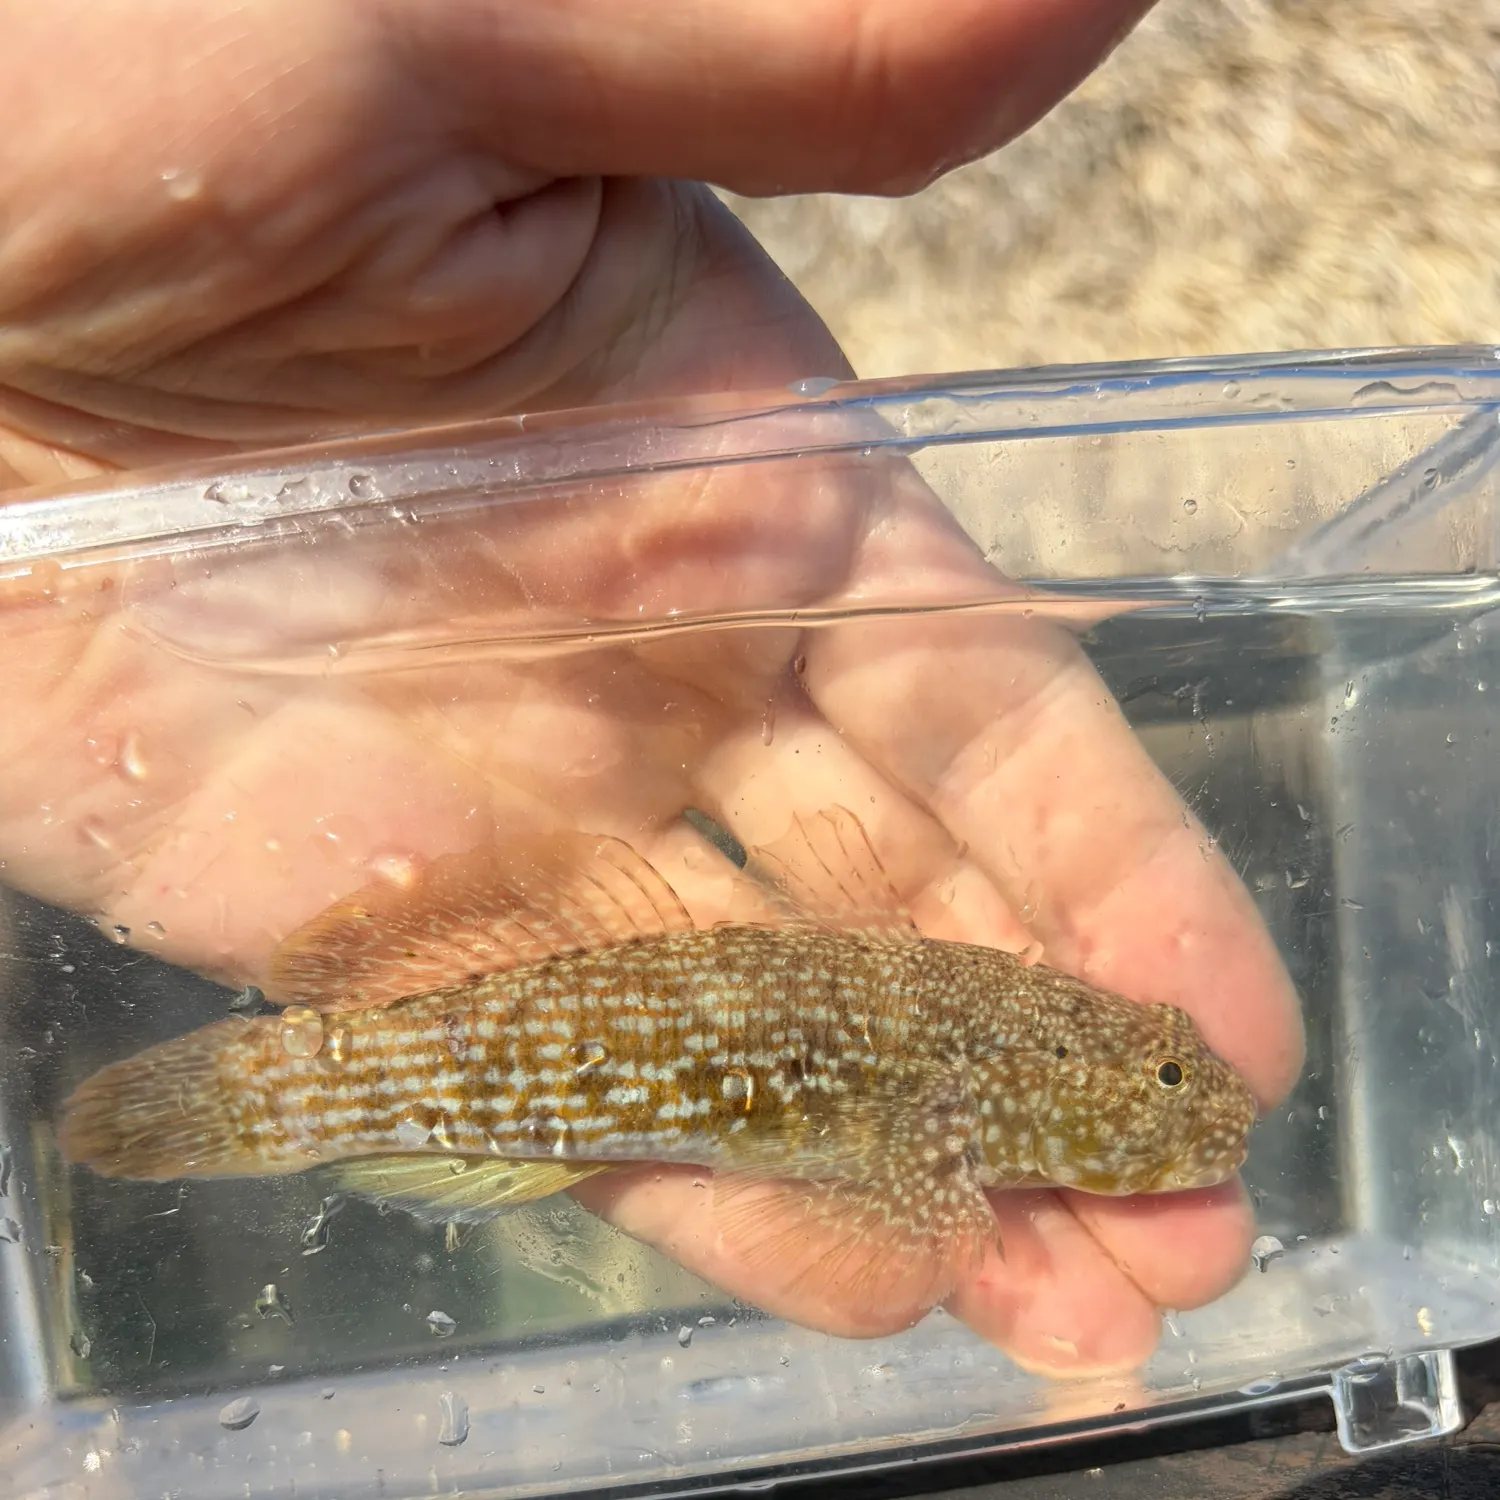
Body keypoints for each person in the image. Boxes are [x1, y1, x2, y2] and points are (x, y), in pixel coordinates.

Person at [0, 0, 1302, 1376]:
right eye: (1162, 1075)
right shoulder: (951, 1090)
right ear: (1036, 1079)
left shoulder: (962, 1068)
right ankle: (279, 1099)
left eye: (1160, 1068)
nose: (1189, 1097)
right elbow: (884, 1215)